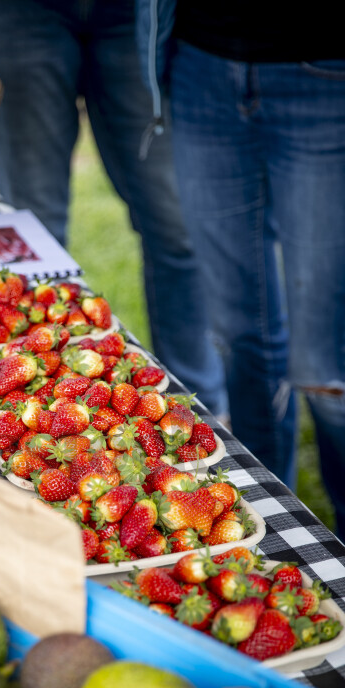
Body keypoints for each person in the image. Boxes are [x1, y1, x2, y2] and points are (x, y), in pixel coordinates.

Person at [0, 0, 229, 419]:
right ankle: (42, 403)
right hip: (12, 10)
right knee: (31, 235)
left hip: (139, 11)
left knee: (176, 226)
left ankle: (199, 407)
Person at [136, 0, 345, 539]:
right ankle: (269, 525)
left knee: (327, 365)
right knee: (240, 337)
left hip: (325, 72)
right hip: (201, 63)